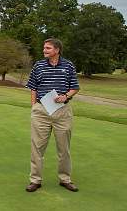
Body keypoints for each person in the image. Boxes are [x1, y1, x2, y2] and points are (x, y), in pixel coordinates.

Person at [25, 38, 80, 193]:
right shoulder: (39, 65)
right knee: (37, 148)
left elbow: (75, 87)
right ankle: (35, 180)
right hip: (41, 111)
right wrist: (34, 106)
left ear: (57, 50)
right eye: (44, 48)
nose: (44, 50)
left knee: (64, 149)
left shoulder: (68, 65)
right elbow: (33, 87)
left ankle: (65, 179)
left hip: (62, 111)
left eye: (48, 48)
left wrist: (66, 96)